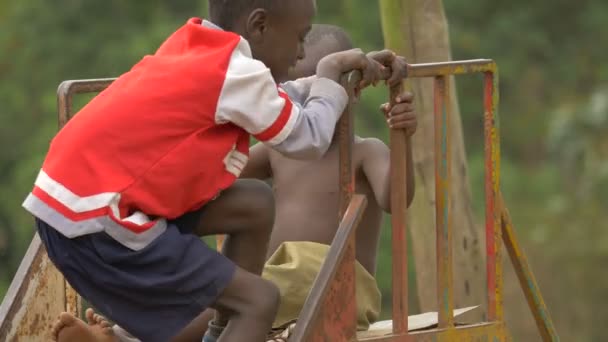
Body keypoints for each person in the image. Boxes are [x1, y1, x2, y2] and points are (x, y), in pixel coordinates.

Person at [21, 1, 401, 341]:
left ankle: (220, 333)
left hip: (69, 207)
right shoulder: (237, 75)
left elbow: (277, 98)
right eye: (300, 38)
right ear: (260, 25)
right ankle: (223, 324)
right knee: (260, 300)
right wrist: (330, 70)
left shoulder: (200, 48)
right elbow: (310, 137)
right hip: (104, 225)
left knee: (253, 202)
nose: (301, 51)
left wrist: (326, 81)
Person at [240, 24, 417, 335]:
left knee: (245, 292)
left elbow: (397, 199)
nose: (311, 103)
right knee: (222, 283)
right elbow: (221, 174)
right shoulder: (276, 152)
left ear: (355, 90)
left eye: (326, 88)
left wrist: (402, 138)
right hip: (279, 288)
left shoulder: (365, 152)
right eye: (300, 90)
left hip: (341, 288)